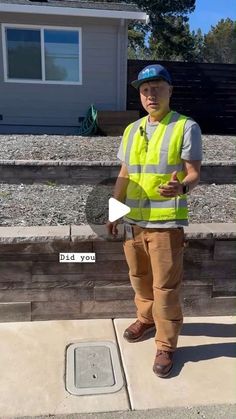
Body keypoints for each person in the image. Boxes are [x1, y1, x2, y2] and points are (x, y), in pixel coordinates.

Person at [106, 64, 202, 378]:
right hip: (133, 222)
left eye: (158, 87)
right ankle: (146, 319)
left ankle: (166, 344)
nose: (151, 94)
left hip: (166, 224)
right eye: (145, 90)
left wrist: (182, 186)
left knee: (166, 288)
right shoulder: (131, 130)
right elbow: (124, 174)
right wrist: (114, 211)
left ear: (170, 91)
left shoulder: (186, 127)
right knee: (139, 277)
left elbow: (194, 173)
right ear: (140, 95)